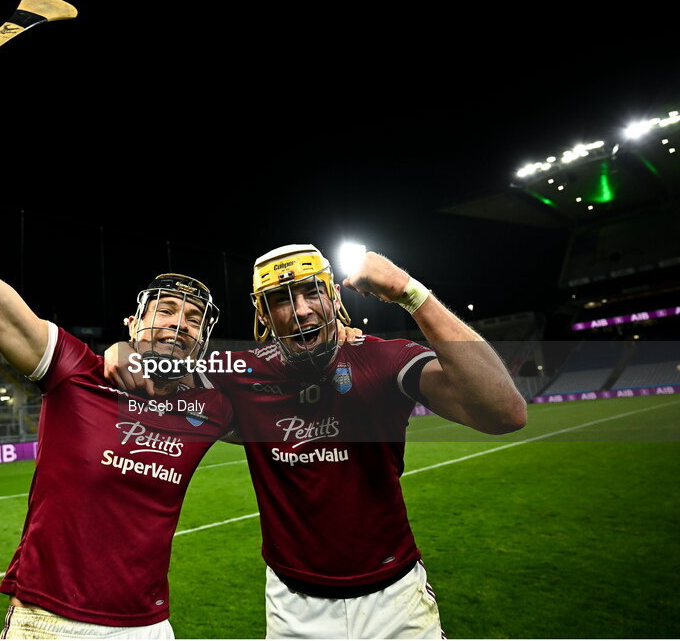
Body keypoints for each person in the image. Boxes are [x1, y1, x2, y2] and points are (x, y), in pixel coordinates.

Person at [0, 81, 233, 639]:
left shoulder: (211, 406)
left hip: (151, 626)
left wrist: (351, 332)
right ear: (133, 324)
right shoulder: (73, 370)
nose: (178, 325)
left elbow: (305, 380)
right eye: (166, 310)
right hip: (51, 623)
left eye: (191, 320)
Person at [106, 244, 527, 639]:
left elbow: (505, 413)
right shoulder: (240, 372)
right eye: (283, 299)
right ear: (264, 315)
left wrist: (409, 293)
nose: (302, 311)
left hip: (395, 598)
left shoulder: (381, 359)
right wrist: (122, 350)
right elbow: (156, 374)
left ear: (334, 298)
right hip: (293, 606)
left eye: (311, 293)